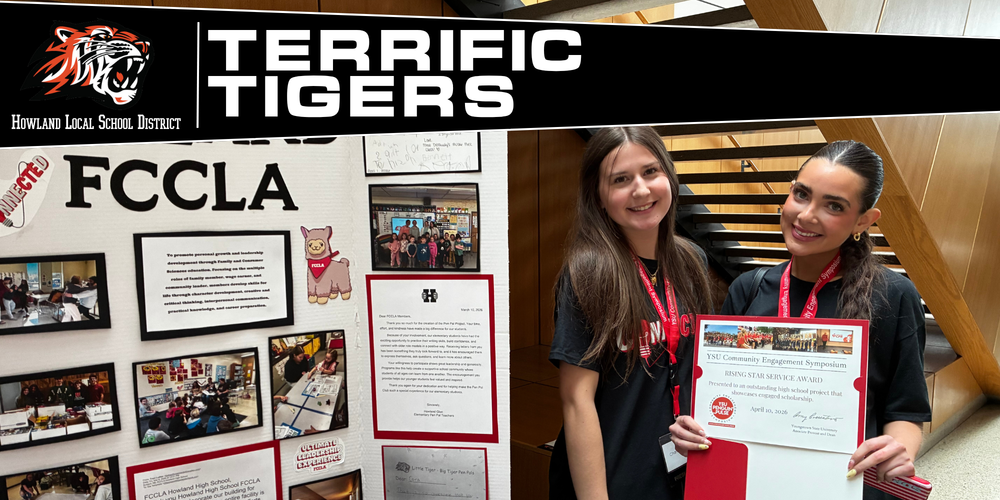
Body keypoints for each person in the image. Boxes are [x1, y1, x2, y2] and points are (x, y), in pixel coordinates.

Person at [669, 141, 931, 499]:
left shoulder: (893, 295)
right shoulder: (748, 288)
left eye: (834, 205)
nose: (807, 215)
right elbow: (718, 398)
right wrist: (691, 429)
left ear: (863, 221)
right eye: (801, 194)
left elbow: (905, 410)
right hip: (747, 482)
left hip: (841, 485)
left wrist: (898, 449)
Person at [547, 127, 713, 500]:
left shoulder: (692, 261)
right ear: (599, 197)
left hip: (680, 469)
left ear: (669, 176)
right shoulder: (588, 273)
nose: (640, 190)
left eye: (651, 172)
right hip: (613, 477)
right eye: (620, 179)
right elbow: (577, 401)